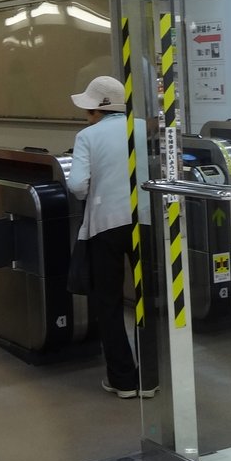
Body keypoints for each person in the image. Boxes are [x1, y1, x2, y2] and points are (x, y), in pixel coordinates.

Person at [66, 75, 155, 399]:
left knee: (109, 301)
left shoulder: (87, 136)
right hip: (144, 220)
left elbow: (77, 184)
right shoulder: (142, 128)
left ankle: (123, 380)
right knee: (148, 299)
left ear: (95, 110)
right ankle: (150, 378)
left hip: (106, 224)